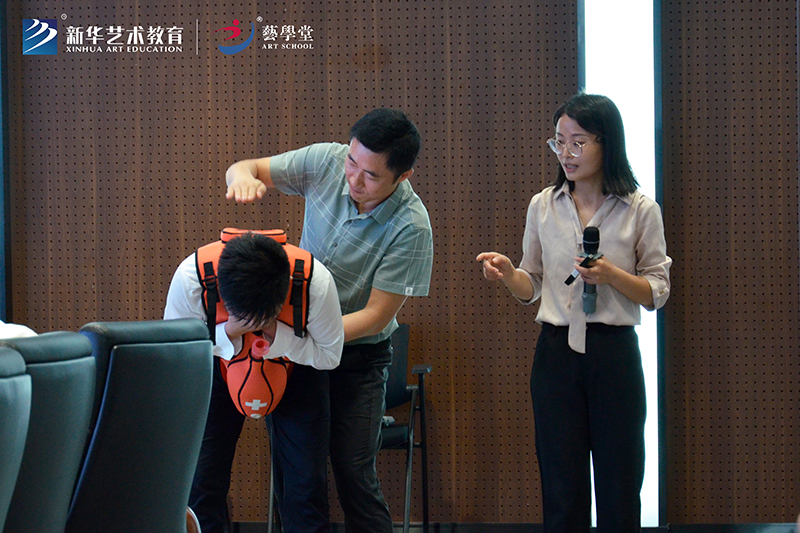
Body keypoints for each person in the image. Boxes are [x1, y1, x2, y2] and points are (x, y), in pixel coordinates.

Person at [225, 108, 433, 532]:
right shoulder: (326, 161)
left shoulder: (412, 226)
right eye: (352, 162)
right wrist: (242, 178)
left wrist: (306, 335)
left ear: (403, 176)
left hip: (359, 357)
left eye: (371, 175)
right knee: (297, 472)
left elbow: (375, 317)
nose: (354, 179)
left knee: (354, 473)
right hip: (298, 350)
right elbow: (247, 167)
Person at [477, 93, 671, 533]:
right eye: (559, 142)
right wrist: (509, 273)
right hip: (556, 354)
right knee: (561, 489)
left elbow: (657, 291)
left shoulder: (640, 209)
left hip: (613, 354)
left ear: (607, 144)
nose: (566, 153)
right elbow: (532, 284)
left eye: (578, 143)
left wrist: (611, 275)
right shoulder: (543, 205)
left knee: (620, 487)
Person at [164, 232, 344, 533]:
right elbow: (178, 352)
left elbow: (330, 355)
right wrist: (229, 332)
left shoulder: (314, 281)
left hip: (298, 364)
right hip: (213, 363)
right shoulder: (193, 278)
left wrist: (277, 333)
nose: (253, 326)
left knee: (306, 485)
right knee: (201, 482)